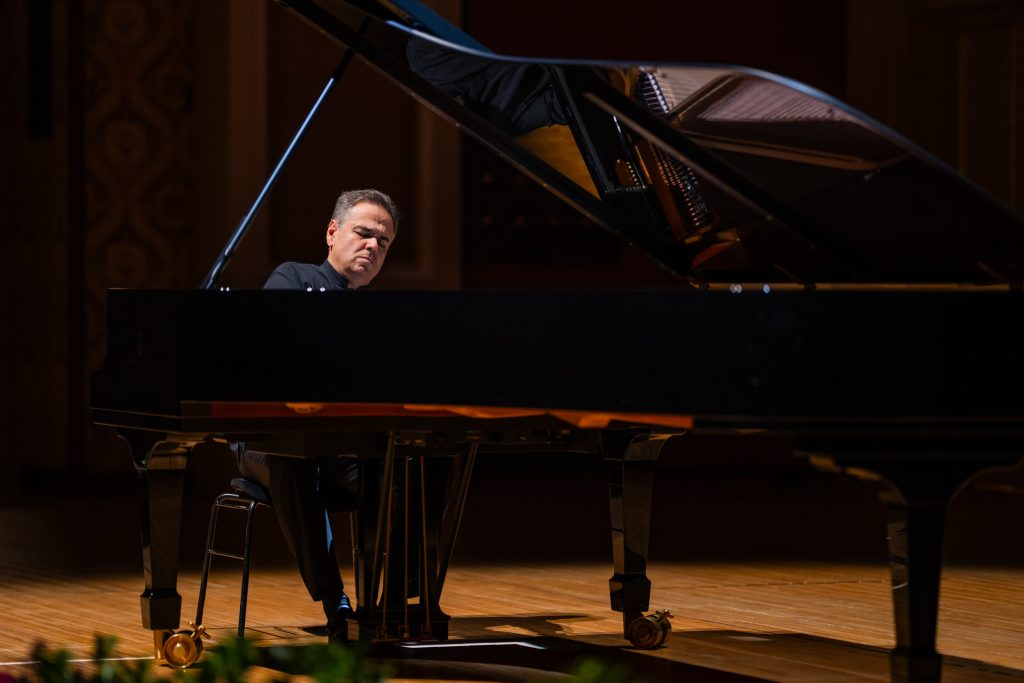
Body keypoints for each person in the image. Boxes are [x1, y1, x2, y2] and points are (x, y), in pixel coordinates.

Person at [236, 188, 400, 642]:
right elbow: (273, 355)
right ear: (333, 232)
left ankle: (401, 599)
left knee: (412, 472)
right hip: (267, 444)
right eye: (363, 233)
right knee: (291, 459)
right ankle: (335, 603)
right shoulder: (293, 277)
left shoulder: (381, 316)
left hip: (337, 449)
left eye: (382, 243)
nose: (372, 246)